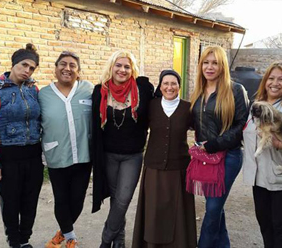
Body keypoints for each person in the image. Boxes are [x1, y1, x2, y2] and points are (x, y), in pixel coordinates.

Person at [92, 50, 154, 248]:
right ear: (111, 67)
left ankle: (106, 239)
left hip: (133, 155)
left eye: (127, 66)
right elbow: (93, 124)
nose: (122, 70)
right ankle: (119, 242)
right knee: (116, 199)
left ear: (132, 70)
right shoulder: (99, 91)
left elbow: (157, 108)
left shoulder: (142, 89)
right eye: (118, 65)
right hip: (108, 154)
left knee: (123, 198)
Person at [0, 44, 44, 248]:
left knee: (30, 202)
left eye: (32, 68)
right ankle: (14, 241)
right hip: (9, 156)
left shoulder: (34, 89)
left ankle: (25, 239)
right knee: (11, 203)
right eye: (24, 65)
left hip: (34, 155)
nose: (27, 71)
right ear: (13, 65)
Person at [190, 46, 248, 248]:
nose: (210, 67)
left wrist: (214, 144)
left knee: (213, 207)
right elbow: (194, 121)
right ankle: (223, 245)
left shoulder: (235, 90)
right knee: (216, 207)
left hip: (229, 156)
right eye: (206, 62)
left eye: (215, 63)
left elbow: (242, 125)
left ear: (222, 66)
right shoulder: (198, 91)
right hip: (205, 159)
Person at [132, 69, 197, 248]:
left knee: (177, 211)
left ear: (179, 86)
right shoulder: (151, 106)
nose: (170, 87)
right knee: (153, 210)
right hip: (154, 166)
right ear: (160, 87)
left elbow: (203, 129)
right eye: (165, 84)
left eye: (173, 83)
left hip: (179, 168)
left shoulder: (188, 108)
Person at [39, 51, 93, 248]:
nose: (67, 68)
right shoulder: (43, 94)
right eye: (63, 64)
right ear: (55, 68)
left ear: (78, 71)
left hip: (84, 155)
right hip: (57, 155)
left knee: (77, 200)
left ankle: (64, 233)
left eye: (72, 65)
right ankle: (71, 238)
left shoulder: (88, 89)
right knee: (61, 199)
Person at [243, 61, 282, 248]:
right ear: (265, 81)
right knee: (265, 225)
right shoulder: (256, 105)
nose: (275, 83)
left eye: (281, 79)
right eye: (271, 78)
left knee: (280, 227)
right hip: (259, 178)